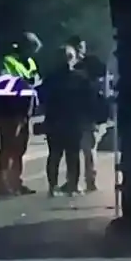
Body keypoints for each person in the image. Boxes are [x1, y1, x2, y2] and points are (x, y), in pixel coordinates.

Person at [42, 45, 96, 196]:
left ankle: (53, 187)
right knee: (72, 155)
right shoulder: (81, 78)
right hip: (74, 122)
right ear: (72, 59)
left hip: (55, 121)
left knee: (54, 155)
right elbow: (89, 100)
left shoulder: (50, 78)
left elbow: (43, 98)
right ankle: (72, 186)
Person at [0, 33, 41, 196]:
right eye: (32, 48)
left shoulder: (30, 62)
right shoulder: (8, 61)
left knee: (20, 148)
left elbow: (35, 81)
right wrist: (25, 84)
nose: (34, 52)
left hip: (25, 111)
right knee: (7, 147)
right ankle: (3, 185)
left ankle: (16, 182)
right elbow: (2, 83)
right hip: (9, 111)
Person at [64, 36, 108, 192]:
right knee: (74, 150)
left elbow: (100, 74)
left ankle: (90, 181)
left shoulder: (89, 63)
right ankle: (73, 181)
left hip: (88, 113)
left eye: (81, 47)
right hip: (75, 114)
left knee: (88, 149)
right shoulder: (67, 67)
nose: (81, 50)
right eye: (78, 47)